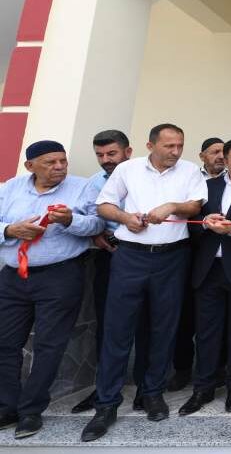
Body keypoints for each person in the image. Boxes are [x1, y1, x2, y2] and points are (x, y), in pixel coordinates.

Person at [82, 124, 208, 442]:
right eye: (169, 146)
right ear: (150, 145)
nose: (175, 152)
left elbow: (195, 205)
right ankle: (107, 403)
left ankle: (152, 393)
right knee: (117, 329)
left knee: (163, 328)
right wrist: (126, 219)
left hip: (172, 258)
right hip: (131, 257)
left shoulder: (190, 171)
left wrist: (171, 207)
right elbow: (105, 205)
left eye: (179, 145)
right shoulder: (127, 168)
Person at [0, 141, 104, 439]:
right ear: (30, 166)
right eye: (50, 162)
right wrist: (10, 230)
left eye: (62, 161)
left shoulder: (82, 188)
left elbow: (97, 225)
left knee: (49, 345)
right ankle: (7, 406)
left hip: (60, 276)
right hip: (13, 277)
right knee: (5, 343)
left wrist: (71, 220)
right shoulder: (10, 188)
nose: (59, 167)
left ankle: (31, 411)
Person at [178, 138, 231, 416]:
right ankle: (203, 387)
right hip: (208, 272)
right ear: (224, 161)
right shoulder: (206, 187)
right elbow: (189, 227)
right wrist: (205, 224)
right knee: (206, 333)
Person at [73, 130, 152, 415]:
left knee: (146, 323)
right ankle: (104, 389)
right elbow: (85, 216)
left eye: (112, 154)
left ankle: (146, 387)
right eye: (100, 155)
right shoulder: (94, 183)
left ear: (128, 152)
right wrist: (94, 236)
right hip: (109, 257)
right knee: (109, 326)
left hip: (144, 257)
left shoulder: (146, 175)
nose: (106, 160)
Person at [170, 137, 227, 393]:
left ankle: (218, 370)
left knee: (217, 321)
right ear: (202, 155)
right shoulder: (190, 178)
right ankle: (182, 369)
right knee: (184, 318)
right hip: (186, 256)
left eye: (223, 152)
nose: (220, 156)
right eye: (214, 152)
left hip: (217, 260)